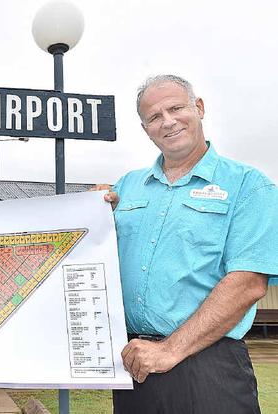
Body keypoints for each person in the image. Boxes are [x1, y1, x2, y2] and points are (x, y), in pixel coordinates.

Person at [97, 75, 278, 413]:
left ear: (199, 108)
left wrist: (169, 350)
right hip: (135, 364)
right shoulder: (126, 187)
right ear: (145, 129)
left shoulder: (249, 185)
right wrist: (90, 214)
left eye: (176, 108)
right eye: (154, 116)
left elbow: (248, 284)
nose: (167, 121)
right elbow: (96, 257)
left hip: (209, 366)